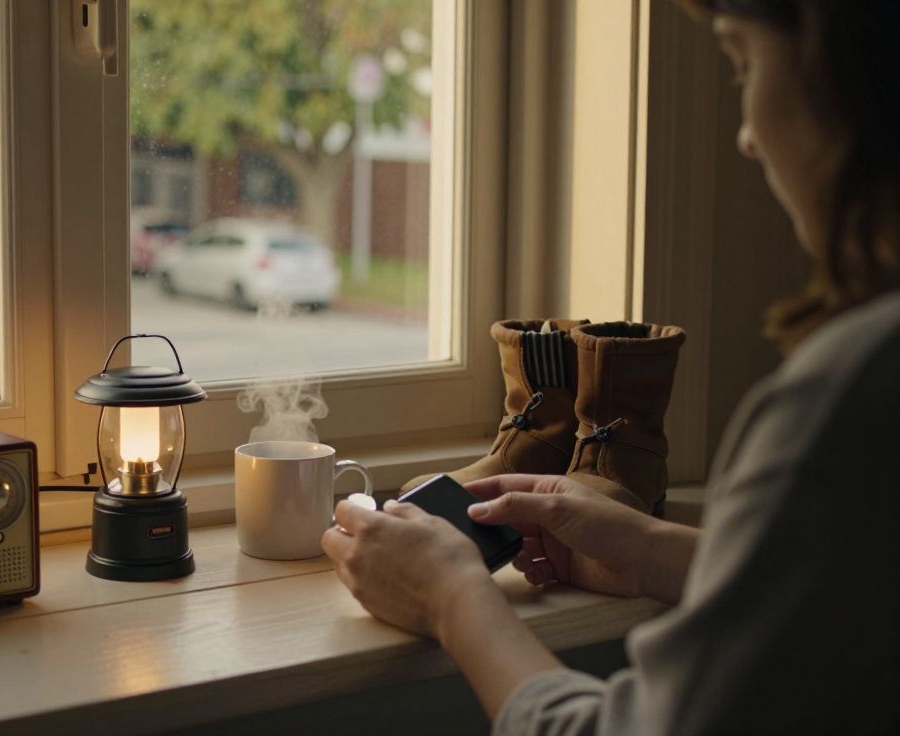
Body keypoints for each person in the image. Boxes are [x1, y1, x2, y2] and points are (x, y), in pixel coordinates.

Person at [322, 1, 900, 733]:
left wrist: (451, 598)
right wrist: (653, 551)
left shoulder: (850, 397)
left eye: (744, 64)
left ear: (845, 73)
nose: (748, 138)